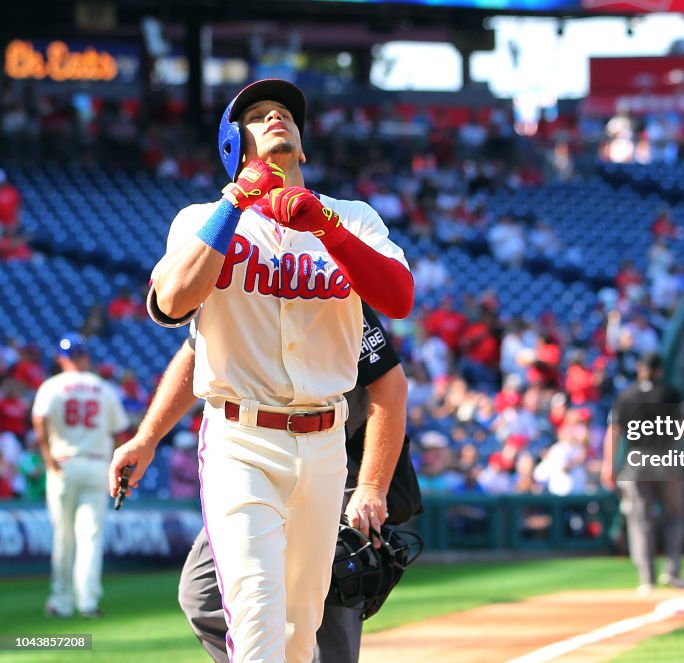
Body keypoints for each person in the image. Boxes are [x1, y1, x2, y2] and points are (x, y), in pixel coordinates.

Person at [110, 78, 413, 662]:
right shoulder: (201, 218)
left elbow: (398, 297)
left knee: (302, 632)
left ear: (301, 145)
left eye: (284, 114)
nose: (276, 117)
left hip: (325, 447)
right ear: (236, 146)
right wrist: (233, 204)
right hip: (240, 441)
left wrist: (325, 228)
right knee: (255, 620)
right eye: (258, 115)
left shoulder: (352, 217)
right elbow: (172, 305)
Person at [111, 302, 410, 662]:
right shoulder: (235, 273)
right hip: (248, 451)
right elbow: (195, 354)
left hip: (336, 456)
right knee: (202, 593)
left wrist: (371, 486)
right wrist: (147, 438)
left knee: (330, 594)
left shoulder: (327, 276)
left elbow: (389, 384)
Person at [33, 333, 131, 618]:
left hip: (63, 463)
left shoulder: (52, 386)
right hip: (97, 464)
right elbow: (119, 430)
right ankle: (87, 601)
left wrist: (47, 454)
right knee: (90, 536)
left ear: (62, 358)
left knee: (63, 537)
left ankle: (61, 601)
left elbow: (39, 418)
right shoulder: (103, 388)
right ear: (86, 357)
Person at [601, 352, 684, 595]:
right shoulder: (670, 393)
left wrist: (609, 465)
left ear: (640, 369)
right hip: (665, 456)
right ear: (659, 370)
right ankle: (672, 571)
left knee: (640, 520)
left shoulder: (626, 395)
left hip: (636, 460)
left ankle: (646, 578)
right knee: (674, 515)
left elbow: (613, 432)